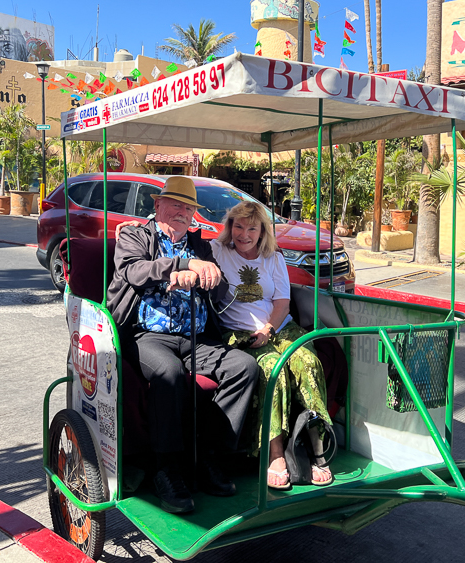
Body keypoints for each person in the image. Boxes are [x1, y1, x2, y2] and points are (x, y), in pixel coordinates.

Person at [107, 176, 258, 514]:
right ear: (157, 204)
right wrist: (181, 265)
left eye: (188, 207)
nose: (182, 211)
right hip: (145, 334)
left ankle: (209, 456)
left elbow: (217, 288)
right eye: (175, 204)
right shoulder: (135, 235)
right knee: (168, 373)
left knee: (244, 368)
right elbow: (134, 271)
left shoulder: (199, 244)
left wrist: (212, 276)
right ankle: (166, 467)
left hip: (196, 338)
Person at [210, 201, 333, 490]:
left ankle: (318, 447)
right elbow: (182, 234)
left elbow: (282, 302)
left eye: (252, 228)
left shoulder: (273, 258)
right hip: (240, 333)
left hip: (277, 327)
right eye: (238, 226)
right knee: (271, 370)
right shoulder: (217, 252)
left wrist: (269, 328)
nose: (244, 234)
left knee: (309, 363)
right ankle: (274, 455)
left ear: (263, 231)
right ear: (230, 228)